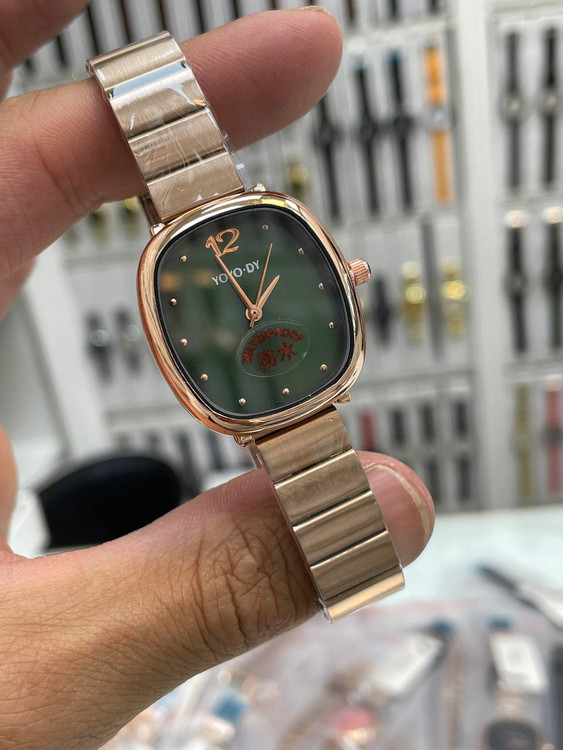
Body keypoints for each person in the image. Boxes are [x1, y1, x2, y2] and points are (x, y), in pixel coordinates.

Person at [0, 4, 435, 749]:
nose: (254, 312)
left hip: (288, 392)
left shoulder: (248, 238)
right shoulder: (212, 251)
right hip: (269, 401)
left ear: (344, 276)